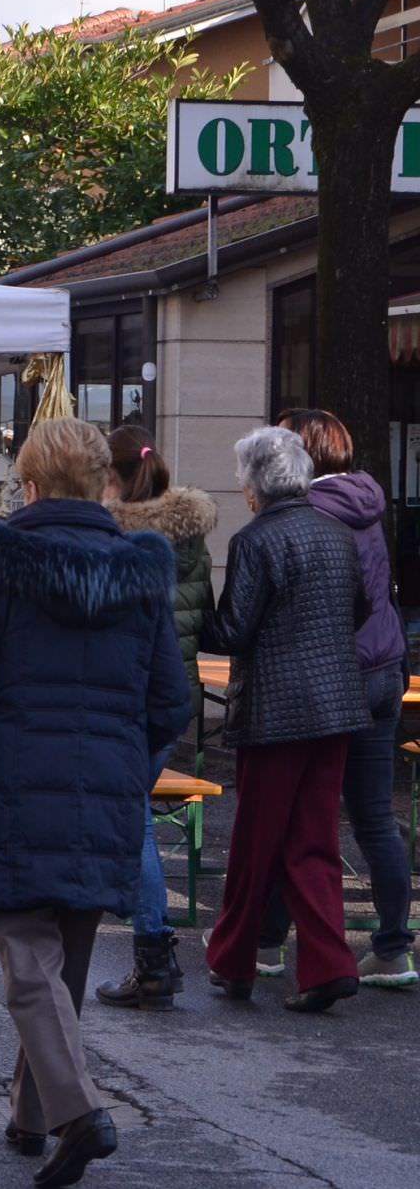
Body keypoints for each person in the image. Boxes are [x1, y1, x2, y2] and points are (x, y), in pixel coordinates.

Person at [0, 418, 188, 1187]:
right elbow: (170, 698)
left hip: (7, 782)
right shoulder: (142, 567)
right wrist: (127, 767)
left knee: (27, 958)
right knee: (62, 957)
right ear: (100, 483)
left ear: (32, 486)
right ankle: (30, 1114)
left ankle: (77, 1112)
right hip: (106, 785)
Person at [201, 426, 371, 1014]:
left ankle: (233, 960)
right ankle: (328, 964)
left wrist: (195, 611)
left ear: (255, 487)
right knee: (314, 841)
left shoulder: (256, 541)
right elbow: (361, 608)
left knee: (255, 841)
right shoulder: (336, 533)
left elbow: (233, 631)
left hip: (276, 709)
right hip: (335, 706)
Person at [253, 411, 415, 987]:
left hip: (329, 677)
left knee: (293, 810)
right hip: (385, 668)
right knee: (374, 817)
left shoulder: (308, 513)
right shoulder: (367, 502)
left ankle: (267, 943)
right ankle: (394, 947)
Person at [93, 426, 217, 1011]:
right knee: (130, 811)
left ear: (111, 477)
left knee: (133, 817)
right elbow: (205, 619)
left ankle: (153, 950)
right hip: (178, 698)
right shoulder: (192, 537)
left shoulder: (118, 539)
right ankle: (149, 945)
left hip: (130, 698)